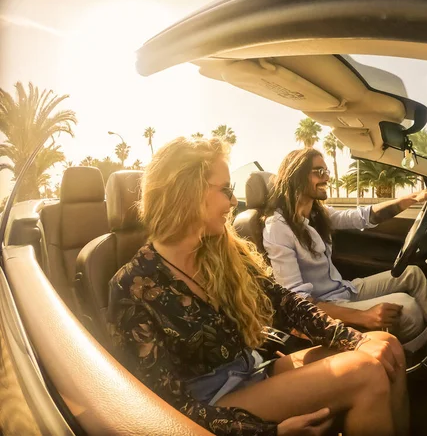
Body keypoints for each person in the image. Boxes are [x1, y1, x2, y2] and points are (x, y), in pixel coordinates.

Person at [107, 136, 408, 436]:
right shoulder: (132, 286)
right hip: (210, 405)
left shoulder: (222, 250)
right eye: (225, 190)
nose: (232, 201)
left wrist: (353, 339)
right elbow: (162, 402)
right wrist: (266, 433)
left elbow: (286, 303)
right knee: (364, 373)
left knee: (385, 345)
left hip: (252, 371)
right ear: (187, 192)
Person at [263, 148, 427, 343]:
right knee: (408, 308)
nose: (326, 178)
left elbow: (362, 217)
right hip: (327, 303)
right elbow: (298, 302)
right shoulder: (277, 229)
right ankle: (415, 354)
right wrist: (363, 316)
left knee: (413, 274)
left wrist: (413, 198)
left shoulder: (317, 214)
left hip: (345, 289)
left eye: (327, 172)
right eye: (319, 172)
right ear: (296, 176)